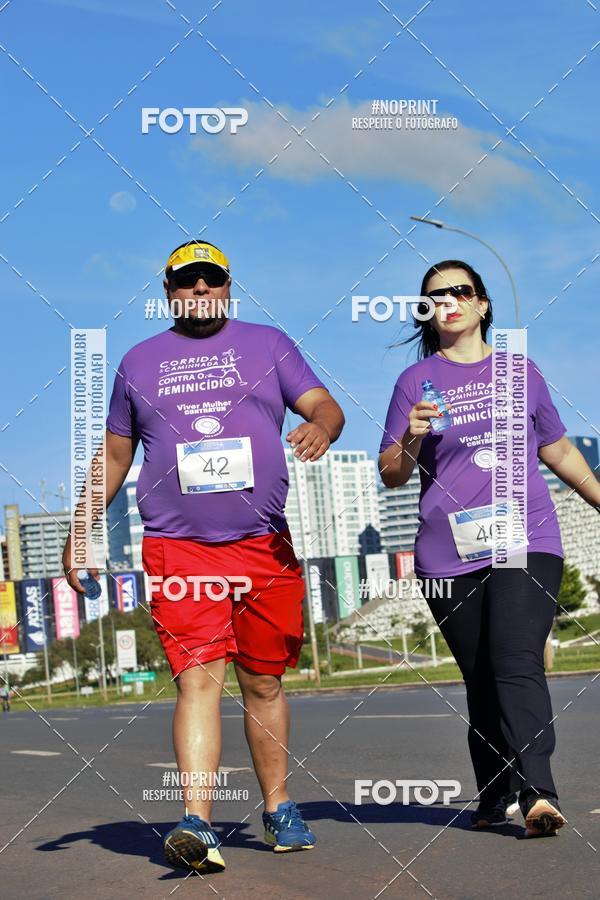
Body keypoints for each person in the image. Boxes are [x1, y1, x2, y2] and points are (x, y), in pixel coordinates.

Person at [62, 239, 344, 872]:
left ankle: (278, 808)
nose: (199, 292)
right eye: (186, 283)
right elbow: (113, 457)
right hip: (179, 549)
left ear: (227, 285)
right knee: (197, 678)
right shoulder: (139, 362)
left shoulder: (268, 345)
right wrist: (80, 532)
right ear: (168, 293)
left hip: (262, 547)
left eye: (209, 281)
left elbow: (324, 403)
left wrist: (322, 426)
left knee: (263, 681)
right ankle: (197, 823)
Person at [379, 259, 600, 838]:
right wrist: (411, 434)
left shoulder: (520, 372)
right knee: (480, 675)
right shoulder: (414, 383)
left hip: (526, 539)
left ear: (481, 305)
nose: (447, 301)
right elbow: (393, 473)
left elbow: (557, 450)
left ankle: (538, 793)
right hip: (446, 555)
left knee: (515, 657)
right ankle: (494, 790)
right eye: (433, 296)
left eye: (459, 291)